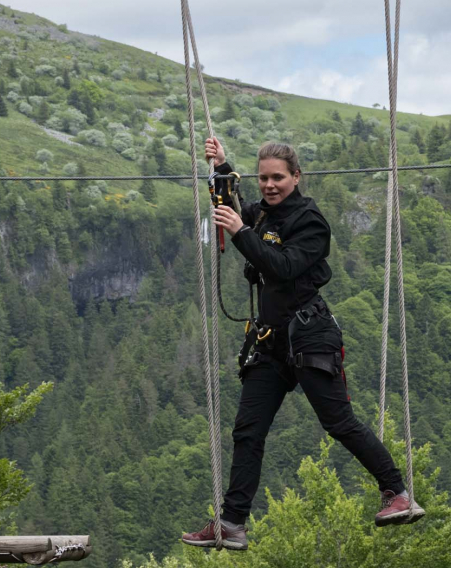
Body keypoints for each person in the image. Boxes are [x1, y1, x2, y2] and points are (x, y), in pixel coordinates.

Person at [181, 138, 424, 552]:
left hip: (311, 335)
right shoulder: (260, 215)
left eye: (278, 177)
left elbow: (285, 267)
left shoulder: (310, 221)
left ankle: (397, 492)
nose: (270, 185)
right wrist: (223, 168)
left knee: (338, 422)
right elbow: (238, 208)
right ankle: (232, 522)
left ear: (296, 177)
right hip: (271, 341)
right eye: (264, 178)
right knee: (248, 430)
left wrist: (240, 233)